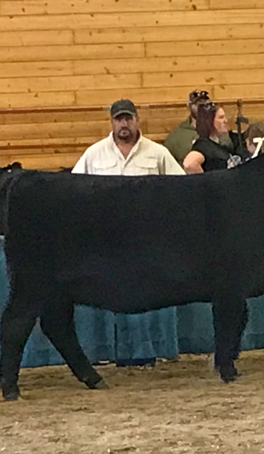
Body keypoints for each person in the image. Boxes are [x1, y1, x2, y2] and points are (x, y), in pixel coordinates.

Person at [73, 98, 184, 367]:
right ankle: (108, 353)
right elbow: (74, 192)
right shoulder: (94, 154)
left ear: (137, 120)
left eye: (128, 118)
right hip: (107, 239)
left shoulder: (158, 154)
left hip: (149, 237)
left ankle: (151, 351)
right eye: (119, 119)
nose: (124, 124)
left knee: (150, 292)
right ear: (111, 122)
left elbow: (182, 190)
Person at [182, 102, 249, 173]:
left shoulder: (220, 144)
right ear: (209, 121)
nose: (225, 121)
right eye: (221, 117)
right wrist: (206, 181)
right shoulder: (204, 145)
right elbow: (189, 164)